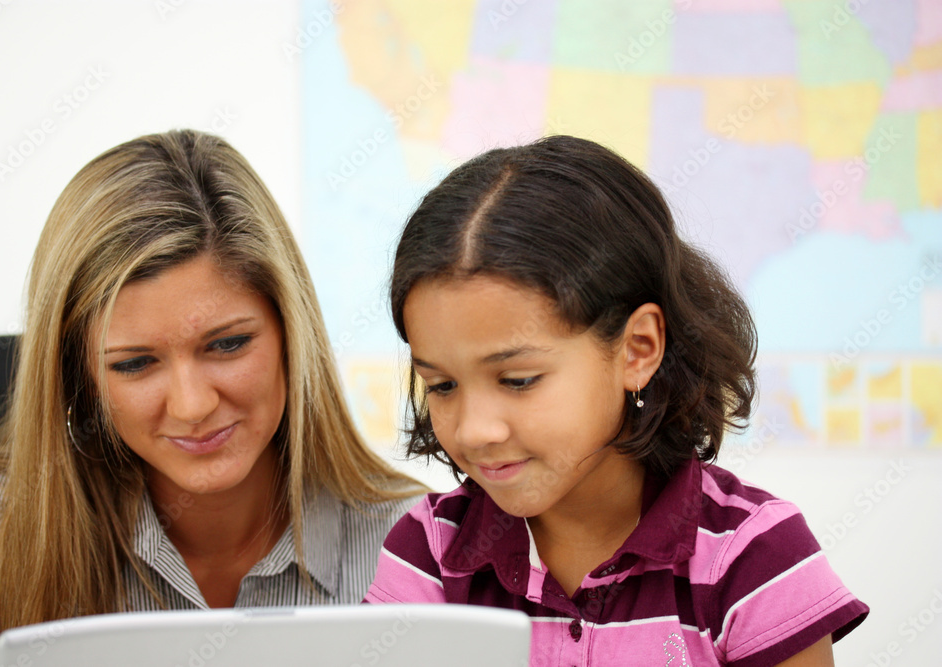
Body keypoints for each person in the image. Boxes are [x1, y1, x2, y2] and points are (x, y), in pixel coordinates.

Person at [365, 135, 868, 666]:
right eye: (442, 386)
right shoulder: (429, 553)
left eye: (517, 380)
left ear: (637, 349)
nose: (474, 430)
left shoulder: (754, 557)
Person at [0, 129, 424, 666]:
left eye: (227, 344)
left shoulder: (418, 543)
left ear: (293, 335)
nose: (192, 406)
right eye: (134, 364)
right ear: (79, 377)